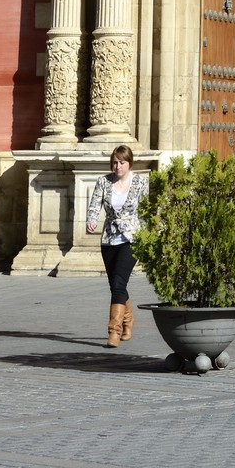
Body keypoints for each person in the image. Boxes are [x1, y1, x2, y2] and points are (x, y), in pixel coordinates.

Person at [86, 145, 147, 345]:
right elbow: (94, 205)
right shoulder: (104, 182)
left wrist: (148, 236)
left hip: (131, 239)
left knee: (119, 283)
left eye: (121, 162)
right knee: (116, 284)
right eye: (114, 162)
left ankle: (114, 331)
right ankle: (128, 321)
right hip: (109, 239)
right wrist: (91, 220)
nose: (117, 166)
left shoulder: (139, 182)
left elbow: (146, 210)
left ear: (129, 163)